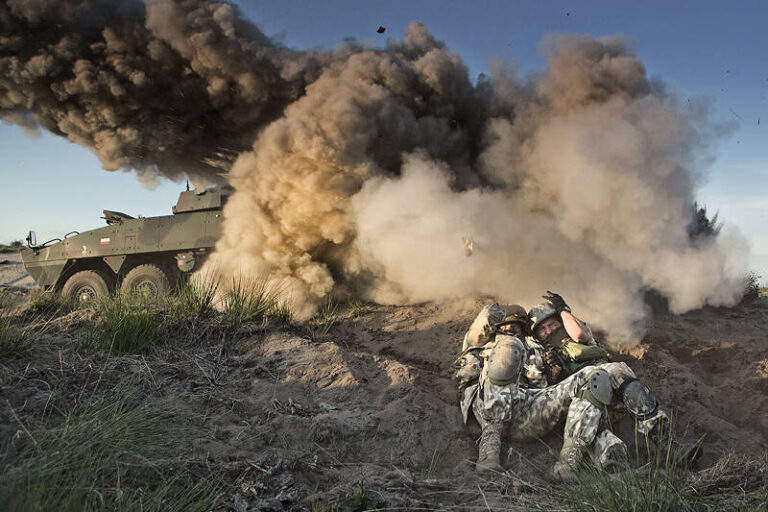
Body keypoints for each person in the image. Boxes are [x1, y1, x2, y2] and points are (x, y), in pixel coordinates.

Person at [527, 291, 703, 473]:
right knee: (597, 430)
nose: (549, 330)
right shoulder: (539, 354)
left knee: (622, 376)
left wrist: (562, 309)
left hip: (609, 382)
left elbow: (579, 334)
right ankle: (617, 469)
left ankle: (667, 445)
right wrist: (554, 370)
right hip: (581, 401)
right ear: (536, 335)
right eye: (542, 329)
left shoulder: (578, 337)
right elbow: (544, 396)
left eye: (552, 324)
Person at [454, 303, 628, 478]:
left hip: (526, 414)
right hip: (485, 411)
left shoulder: (536, 349)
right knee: (508, 347)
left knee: (593, 375)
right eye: (504, 326)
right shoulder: (479, 342)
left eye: (515, 327)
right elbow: (486, 317)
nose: (509, 330)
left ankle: (569, 462)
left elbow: (550, 393)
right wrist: (510, 310)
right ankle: (489, 450)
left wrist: (555, 372)